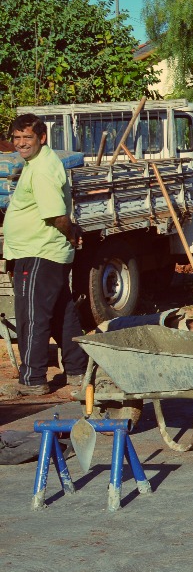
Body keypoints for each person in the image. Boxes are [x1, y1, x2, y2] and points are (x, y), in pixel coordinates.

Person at [0, 114, 87, 397]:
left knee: (32, 316)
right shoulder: (37, 162)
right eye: (17, 138)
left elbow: (55, 214)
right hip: (43, 251)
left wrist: (71, 233)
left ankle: (33, 378)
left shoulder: (41, 170)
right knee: (63, 313)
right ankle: (77, 370)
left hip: (39, 252)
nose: (21, 143)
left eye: (28, 138)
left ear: (42, 138)